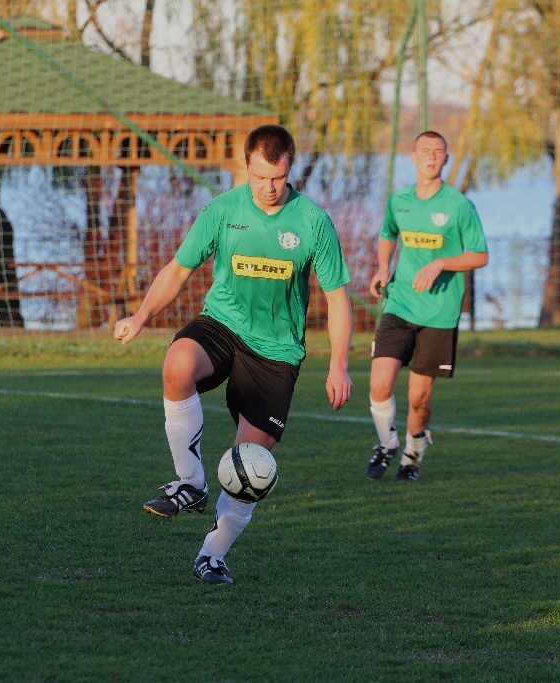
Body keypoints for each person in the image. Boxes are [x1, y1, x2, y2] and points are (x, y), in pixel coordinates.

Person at [113, 124, 354, 585]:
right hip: (223, 324)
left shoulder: (312, 221)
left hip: (277, 351)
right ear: (246, 166)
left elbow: (337, 299)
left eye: (278, 178)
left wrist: (338, 363)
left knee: (249, 468)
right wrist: (142, 314)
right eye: (261, 177)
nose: (269, 187)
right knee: (178, 363)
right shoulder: (223, 210)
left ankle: (212, 555)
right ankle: (190, 483)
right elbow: (179, 269)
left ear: (289, 168)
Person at [365, 130, 488, 482]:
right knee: (379, 384)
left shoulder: (459, 206)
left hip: (439, 313)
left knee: (418, 397)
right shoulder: (399, 201)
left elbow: (480, 255)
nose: (432, 156)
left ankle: (412, 456)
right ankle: (387, 444)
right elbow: (388, 234)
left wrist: (441, 263)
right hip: (399, 303)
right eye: (425, 151)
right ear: (413, 157)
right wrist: (383, 268)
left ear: (446, 159)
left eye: (438, 151)